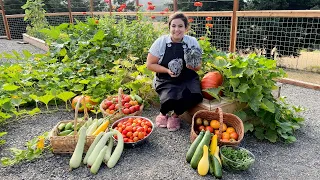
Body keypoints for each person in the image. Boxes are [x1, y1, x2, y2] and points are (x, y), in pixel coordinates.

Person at [146, 12, 203, 131]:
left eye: (180, 26)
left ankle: (176, 115)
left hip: (188, 76)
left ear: (186, 28)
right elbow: (150, 64)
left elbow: (198, 67)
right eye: (174, 26)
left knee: (195, 95)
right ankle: (163, 113)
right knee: (171, 96)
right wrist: (167, 70)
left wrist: (191, 66)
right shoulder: (161, 42)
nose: (177, 29)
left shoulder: (192, 42)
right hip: (166, 77)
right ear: (169, 27)